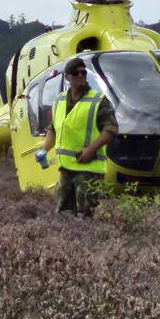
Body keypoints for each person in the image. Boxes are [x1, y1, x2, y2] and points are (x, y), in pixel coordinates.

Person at [41, 57, 118, 216]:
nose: (81, 75)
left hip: (90, 169)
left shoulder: (98, 101)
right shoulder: (59, 101)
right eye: (76, 73)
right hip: (66, 169)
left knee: (88, 214)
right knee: (62, 213)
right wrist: (43, 150)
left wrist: (91, 149)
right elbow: (53, 130)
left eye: (84, 72)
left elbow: (111, 129)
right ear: (67, 77)